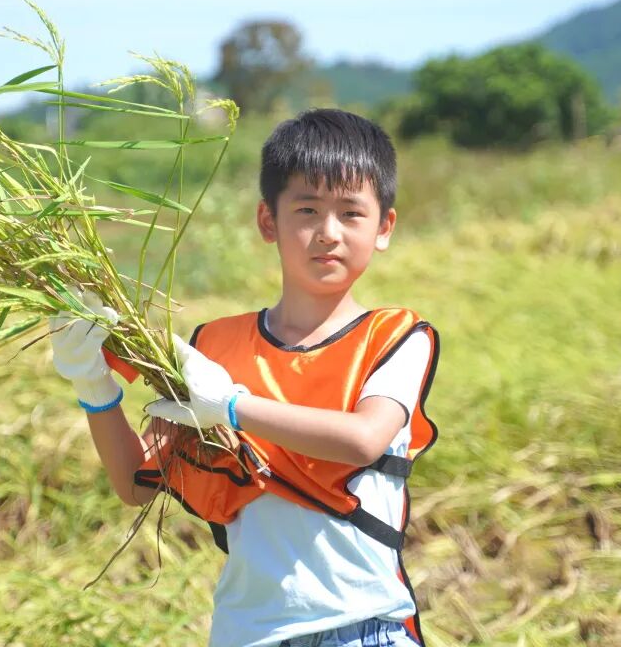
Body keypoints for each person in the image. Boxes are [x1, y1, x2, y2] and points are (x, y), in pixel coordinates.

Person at [50, 108, 439, 647]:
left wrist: (232, 407)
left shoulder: (397, 337)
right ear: (268, 221)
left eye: (351, 213)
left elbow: (364, 439)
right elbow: (136, 482)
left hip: (363, 630)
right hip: (247, 633)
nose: (328, 233)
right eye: (306, 209)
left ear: (384, 228)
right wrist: (94, 388)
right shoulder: (215, 348)